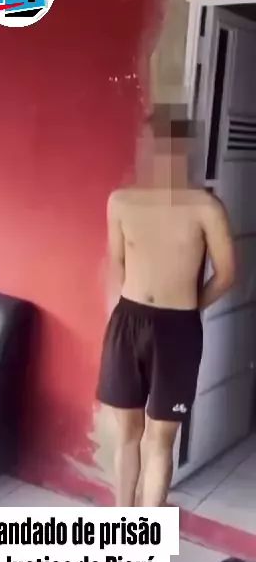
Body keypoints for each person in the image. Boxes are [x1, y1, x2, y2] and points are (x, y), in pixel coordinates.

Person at [97, 105, 236, 508]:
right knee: (127, 432)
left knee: (161, 438)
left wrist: (190, 310)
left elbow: (227, 273)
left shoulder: (205, 207)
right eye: (149, 143)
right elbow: (118, 264)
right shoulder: (121, 202)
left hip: (177, 330)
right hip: (128, 322)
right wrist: (119, 315)